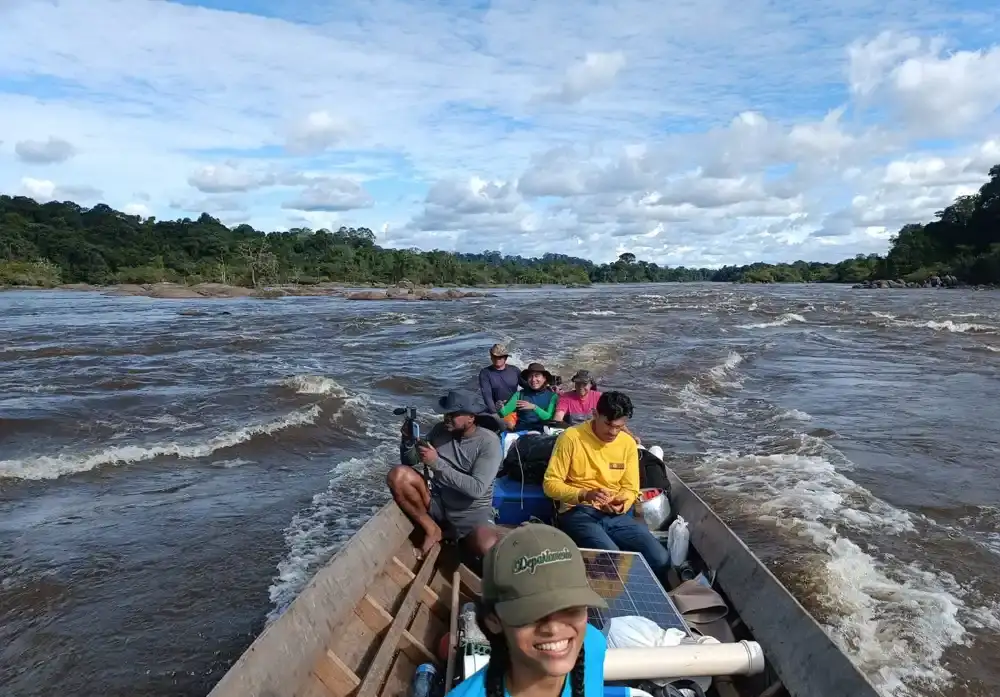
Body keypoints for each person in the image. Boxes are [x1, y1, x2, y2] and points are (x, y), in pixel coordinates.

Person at [445, 523, 609, 697]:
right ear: (493, 620)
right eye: (531, 614)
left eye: (570, 607)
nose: (553, 628)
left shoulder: (591, 644)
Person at [541, 391, 670, 578]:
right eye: (608, 425)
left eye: (619, 427)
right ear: (594, 414)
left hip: (616, 514)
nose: (613, 432)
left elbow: (631, 489)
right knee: (612, 558)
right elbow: (550, 484)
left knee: (661, 559)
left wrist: (621, 503)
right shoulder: (571, 438)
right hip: (578, 511)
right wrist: (585, 494)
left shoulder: (627, 444)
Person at [386, 390, 502, 559]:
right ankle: (432, 529)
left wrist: (436, 463)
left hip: (473, 515)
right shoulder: (440, 431)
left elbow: (476, 489)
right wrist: (408, 442)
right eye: (446, 413)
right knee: (398, 476)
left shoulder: (488, 443)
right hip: (439, 505)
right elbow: (410, 462)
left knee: (488, 547)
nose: (446, 418)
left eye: (453, 414)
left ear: (471, 417)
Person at [498, 363, 558, 432]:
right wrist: (500, 408)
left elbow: (549, 418)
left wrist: (534, 407)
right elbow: (504, 413)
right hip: (521, 432)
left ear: (544, 378)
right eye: (530, 376)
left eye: (537, 376)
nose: (533, 379)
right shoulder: (520, 394)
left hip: (542, 433)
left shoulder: (552, 396)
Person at [479, 344, 522, 416]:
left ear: (505, 357)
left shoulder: (515, 370)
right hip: (497, 409)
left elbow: (527, 387)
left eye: (500, 357)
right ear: (491, 357)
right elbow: (487, 396)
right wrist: (495, 413)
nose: (497, 359)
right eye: (494, 356)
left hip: (514, 407)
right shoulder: (485, 373)